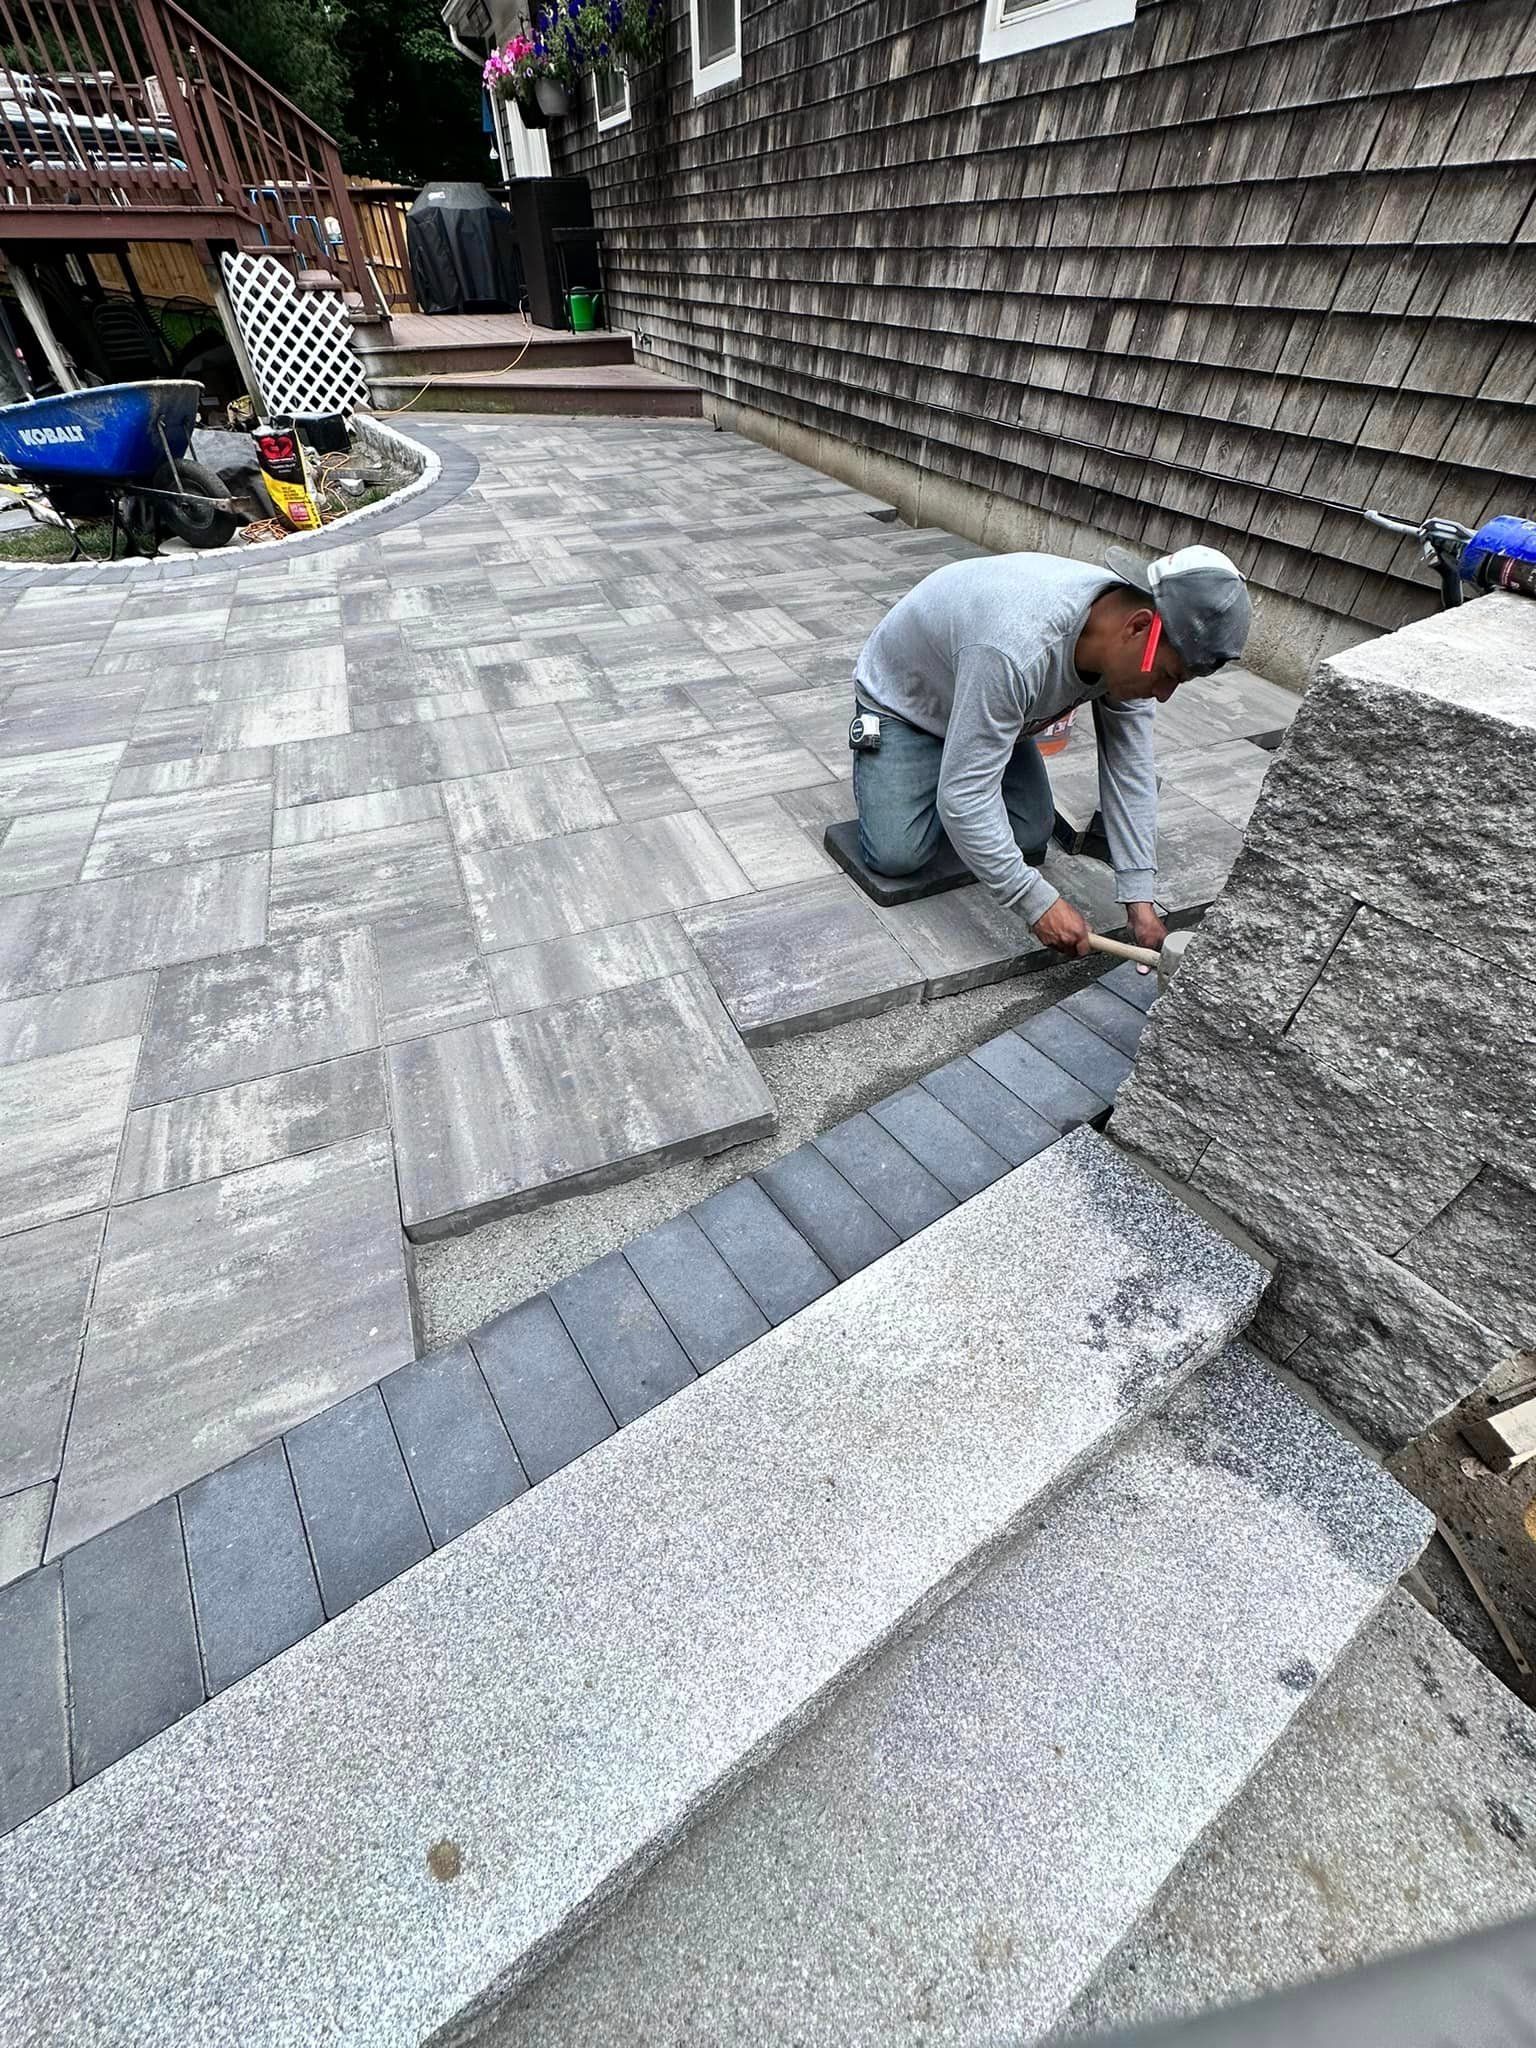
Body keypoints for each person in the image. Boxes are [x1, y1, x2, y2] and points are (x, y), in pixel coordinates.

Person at [849, 544, 1252, 960]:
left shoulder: (1131, 645)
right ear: (1139, 627)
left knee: (1028, 832)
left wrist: (1140, 902)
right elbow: (964, 797)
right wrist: (1036, 902)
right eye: (1168, 675)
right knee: (897, 853)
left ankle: (963, 757)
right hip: (908, 703)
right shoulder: (1017, 648)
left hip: (986, 702)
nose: (1164, 695)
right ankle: (929, 762)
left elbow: (1129, 770)